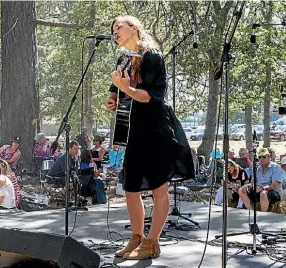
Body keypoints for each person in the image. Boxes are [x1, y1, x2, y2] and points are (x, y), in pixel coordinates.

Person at [106, 15, 194, 260]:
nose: (114, 32)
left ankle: (152, 242)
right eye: (112, 29)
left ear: (134, 28)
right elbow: (117, 89)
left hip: (155, 128)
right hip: (133, 128)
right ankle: (136, 237)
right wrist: (113, 98)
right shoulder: (123, 60)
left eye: (118, 27)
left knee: (158, 187)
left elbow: (150, 97)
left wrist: (124, 89)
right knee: (130, 187)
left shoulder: (152, 57)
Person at [238, 148, 282, 212]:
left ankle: (263, 215)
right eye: (260, 157)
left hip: (273, 192)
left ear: (269, 157)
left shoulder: (275, 167)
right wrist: (249, 186)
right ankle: (251, 210)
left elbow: (274, 185)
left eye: (264, 157)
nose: (261, 159)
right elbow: (253, 182)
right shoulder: (256, 167)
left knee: (263, 193)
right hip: (258, 190)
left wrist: (262, 188)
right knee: (241, 190)